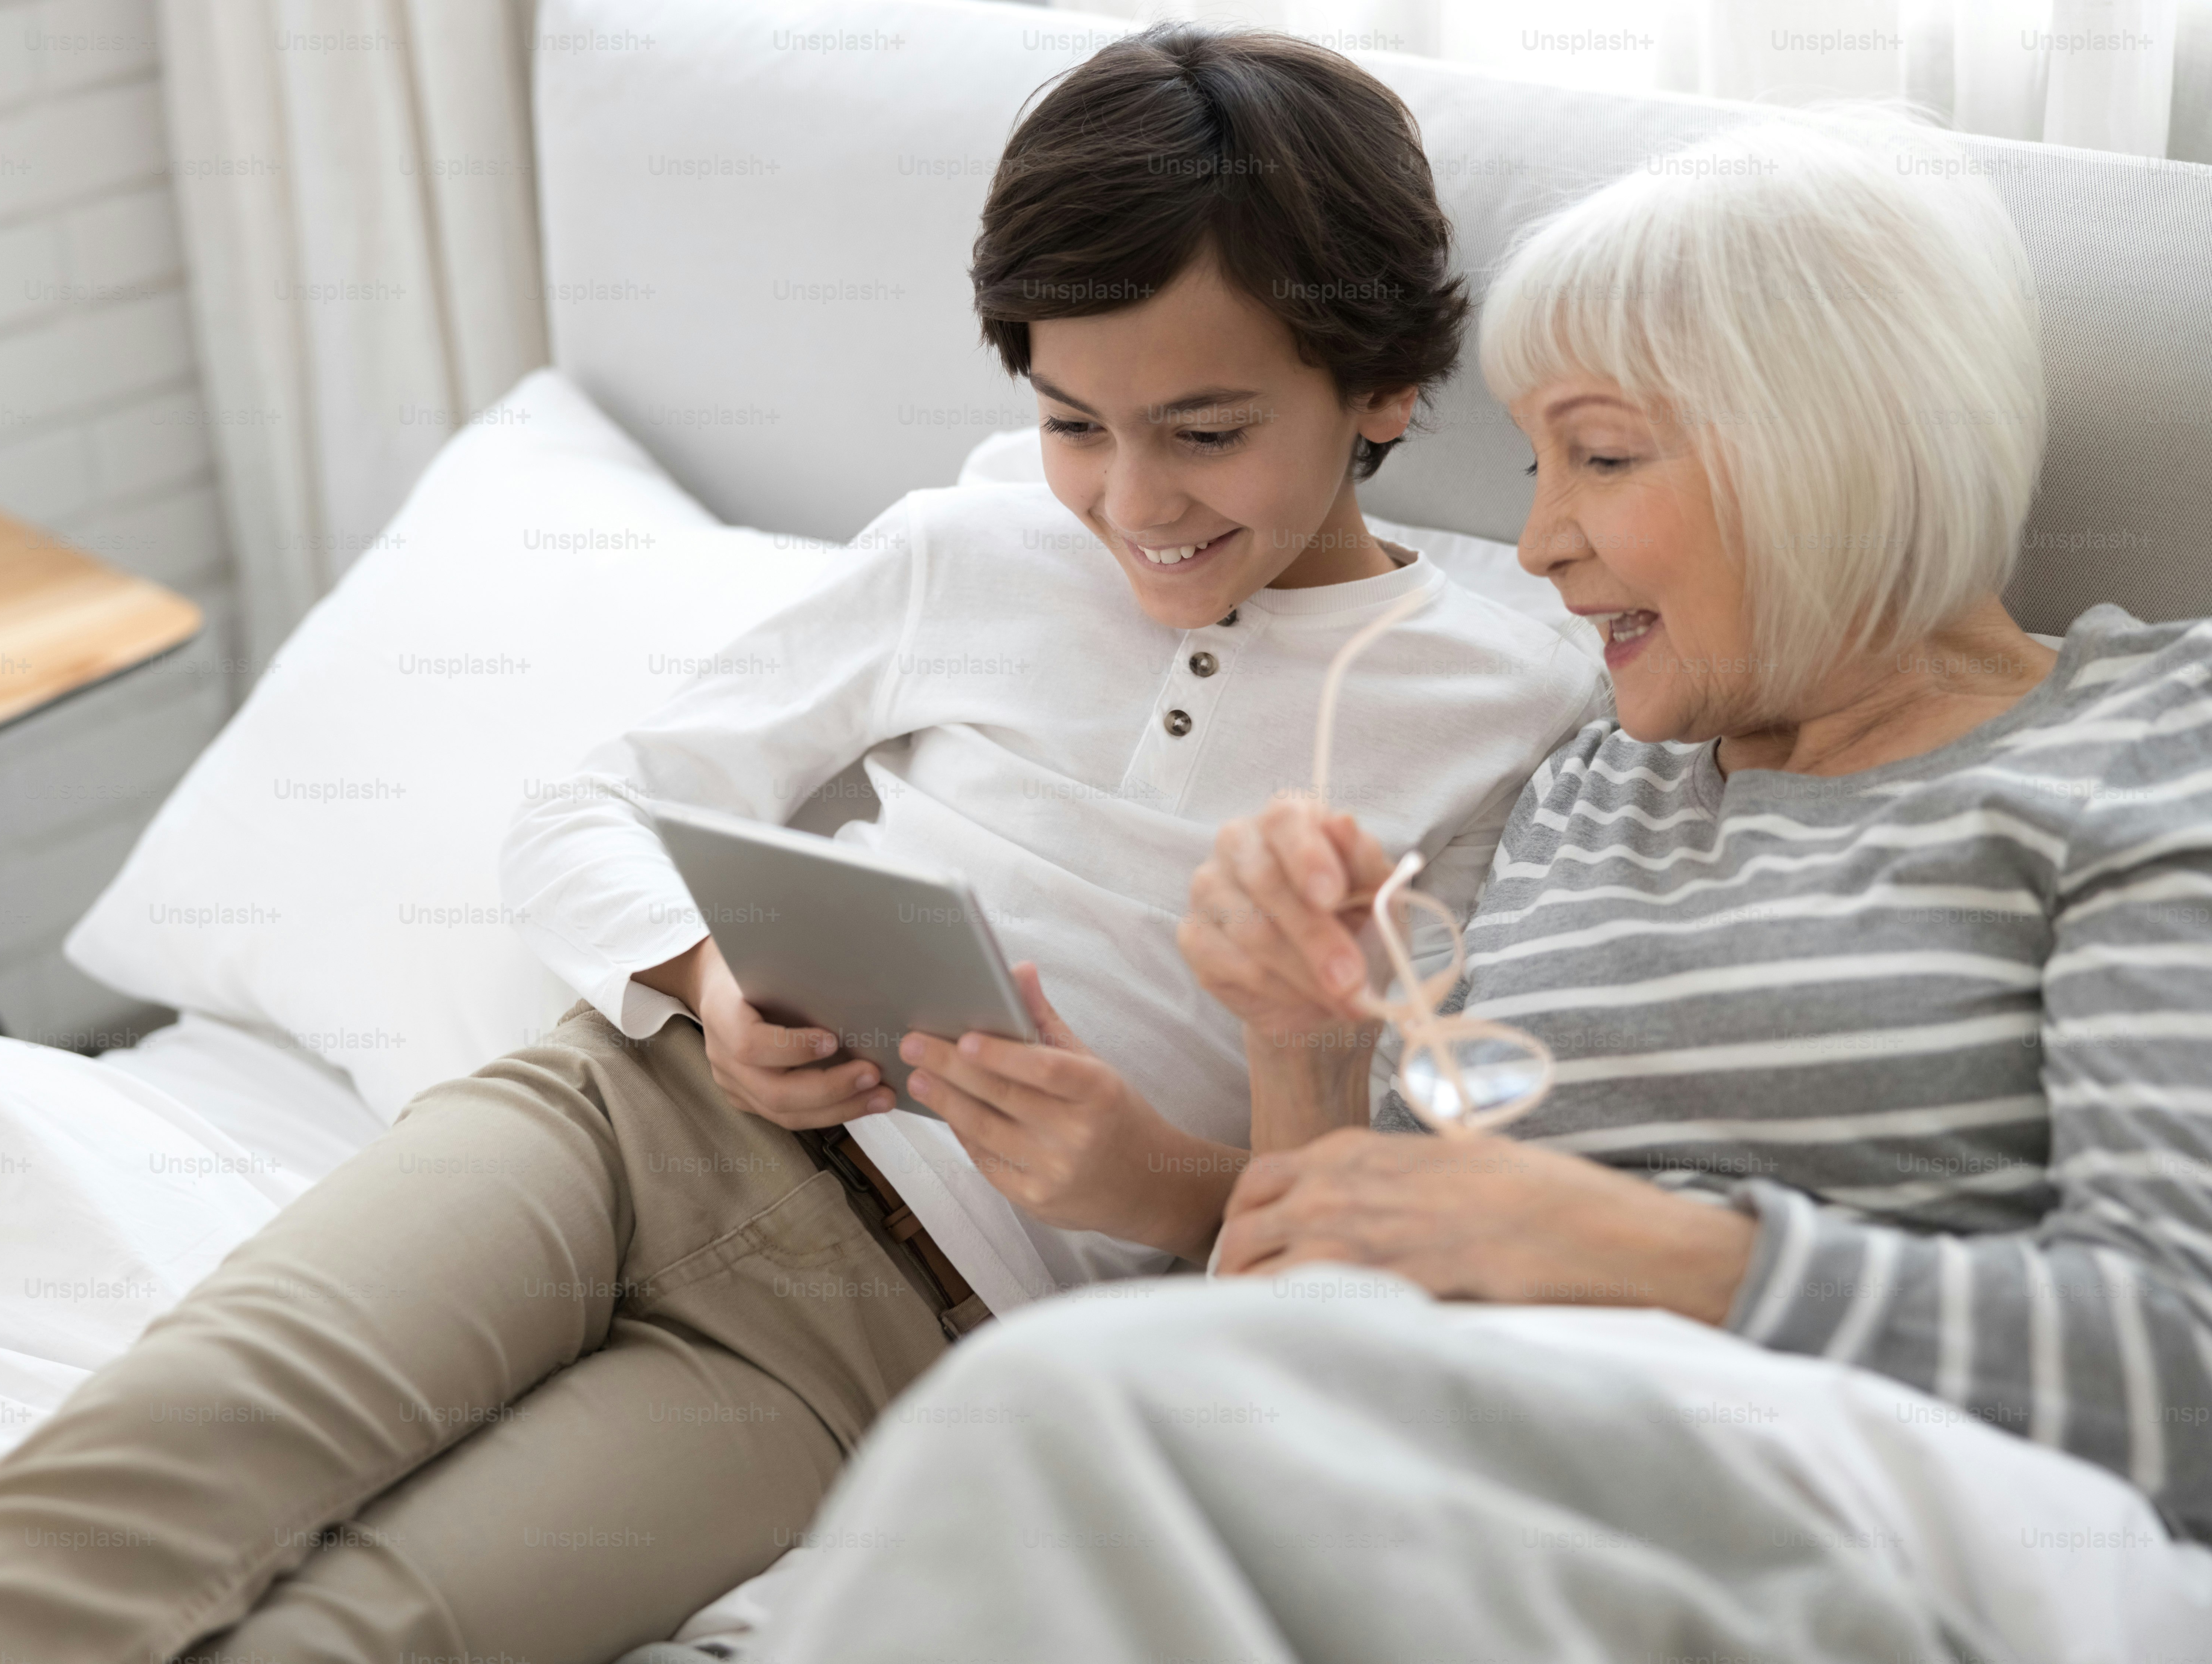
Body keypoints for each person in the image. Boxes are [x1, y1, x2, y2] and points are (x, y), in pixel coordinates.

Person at [0, 28, 1595, 1664]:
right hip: (627, 1112)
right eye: (1073, 425)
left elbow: (1385, 1239)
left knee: (371, 1634)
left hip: (886, 1332)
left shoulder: (1502, 708)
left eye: (1205, 434)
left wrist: (1150, 1182)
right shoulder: (962, 552)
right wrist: (712, 975)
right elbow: (582, 808)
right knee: (144, 1467)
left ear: (1378, 389)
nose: (1133, 505)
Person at [708, 111, 2212, 1661]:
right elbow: (1323, 1281)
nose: (1544, 543)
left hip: (1872, 1495)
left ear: (1838, 444)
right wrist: (1305, 1047)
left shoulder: (2155, 746)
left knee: (1045, 1412)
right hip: (1471, 1462)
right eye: (1539, 463)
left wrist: (1635, 1250)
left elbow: (2182, 1372)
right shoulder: (1585, 783)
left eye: (1604, 456)